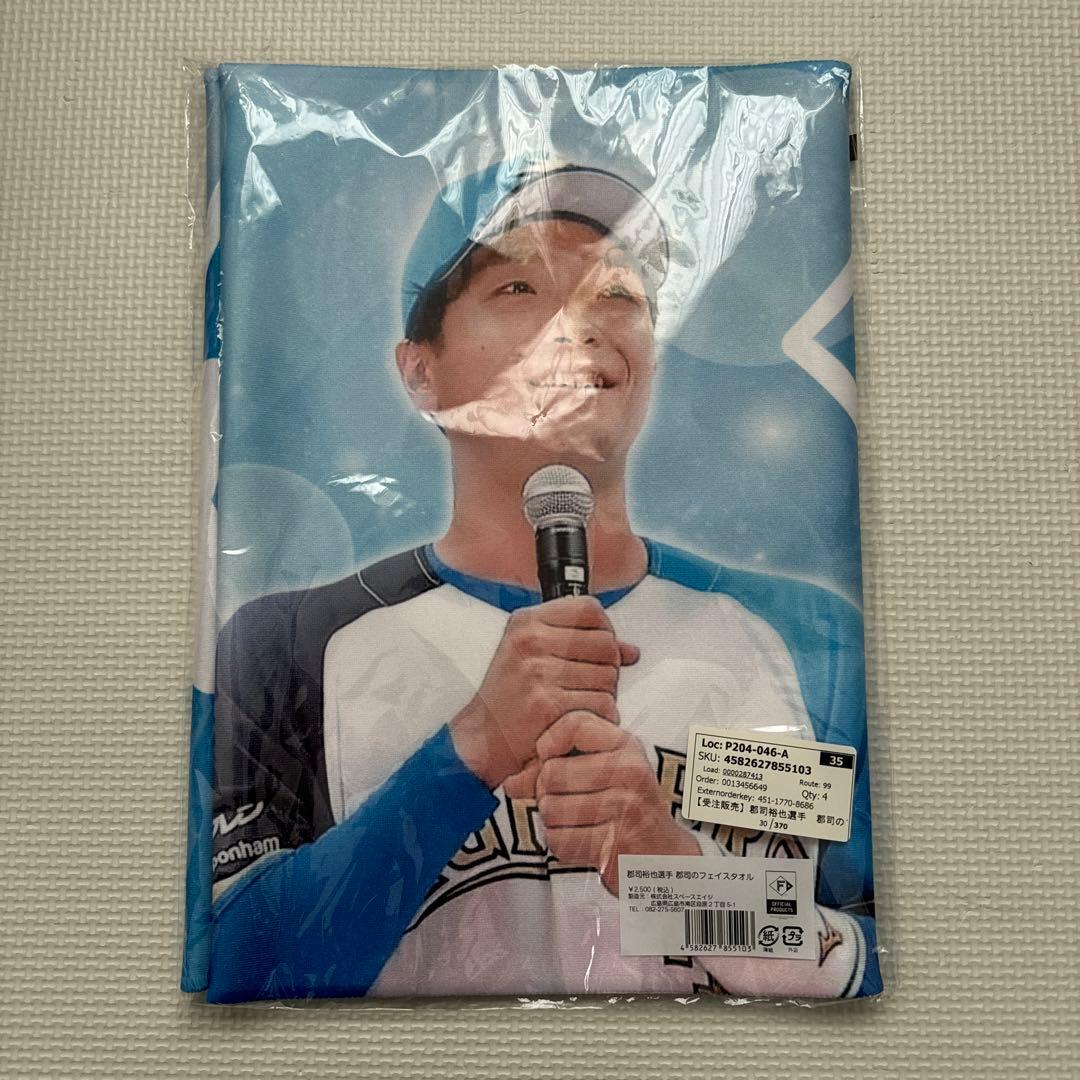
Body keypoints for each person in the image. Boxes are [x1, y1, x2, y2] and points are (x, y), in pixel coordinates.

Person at [206, 162, 880, 1003]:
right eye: (519, 286)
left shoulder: (807, 637)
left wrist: (672, 871)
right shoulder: (290, 645)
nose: (578, 322)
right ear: (420, 370)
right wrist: (465, 755)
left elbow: (874, 961)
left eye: (618, 294)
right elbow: (238, 968)